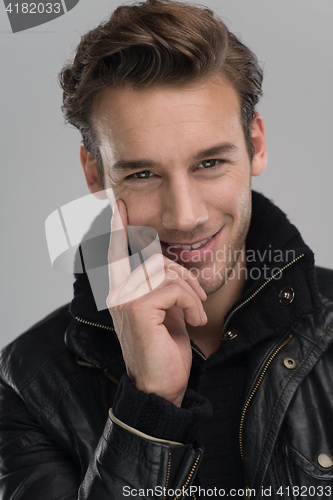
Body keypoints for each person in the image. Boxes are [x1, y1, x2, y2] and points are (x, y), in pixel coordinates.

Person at [0, 0, 333, 498]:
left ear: (256, 145)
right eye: (142, 174)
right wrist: (149, 407)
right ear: (94, 174)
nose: (184, 216)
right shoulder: (27, 385)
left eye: (209, 164)